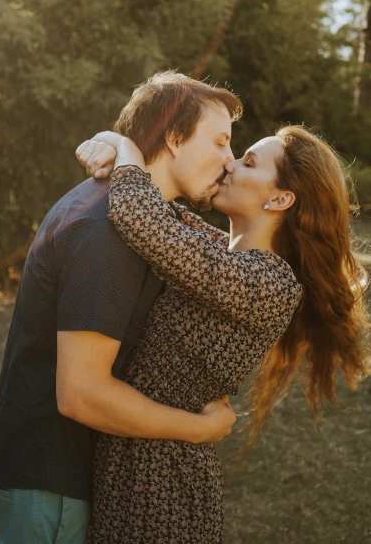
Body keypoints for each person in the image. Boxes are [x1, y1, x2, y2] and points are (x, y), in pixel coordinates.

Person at [0, 72, 242, 544]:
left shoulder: (140, 219)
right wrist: (199, 430)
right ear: (174, 137)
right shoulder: (105, 230)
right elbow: (81, 392)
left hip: (62, 476)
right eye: (220, 142)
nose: (230, 161)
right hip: (49, 480)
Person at [75, 124, 370, 544]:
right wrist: (113, 152)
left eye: (248, 162)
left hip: (162, 484)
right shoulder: (220, 251)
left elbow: (139, 216)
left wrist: (123, 144)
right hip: (138, 457)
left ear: (280, 198)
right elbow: (157, 210)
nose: (229, 163)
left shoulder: (268, 282)